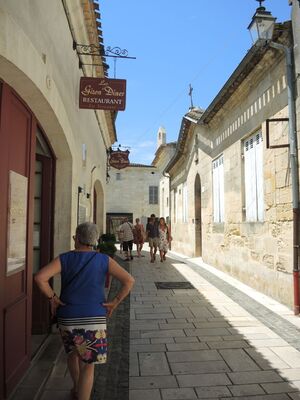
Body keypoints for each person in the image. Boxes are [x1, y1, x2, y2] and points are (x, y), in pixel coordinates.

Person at [34, 222, 135, 400]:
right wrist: (115, 302)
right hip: (94, 317)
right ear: (94, 240)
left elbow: (40, 278)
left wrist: (53, 298)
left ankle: (76, 388)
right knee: (89, 365)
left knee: (72, 355)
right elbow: (129, 280)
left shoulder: (64, 258)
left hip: (67, 315)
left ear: (76, 238)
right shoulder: (103, 260)